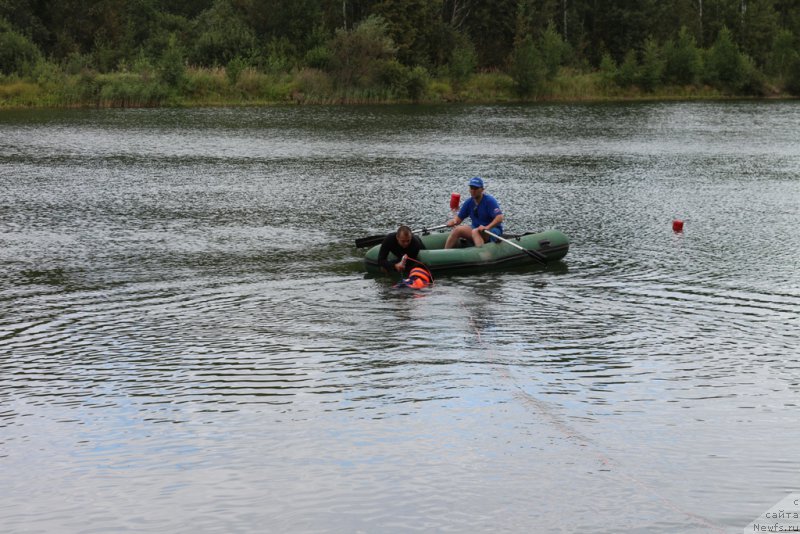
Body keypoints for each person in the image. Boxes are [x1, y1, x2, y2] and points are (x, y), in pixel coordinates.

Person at [444, 176, 504, 248]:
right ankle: (445, 253)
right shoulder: (469, 202)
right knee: (457, 230)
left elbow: (499, 218)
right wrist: (453, 221)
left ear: (482, 189)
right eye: (471, 188)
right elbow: (458, 220)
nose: (473, 190)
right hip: (476, 228)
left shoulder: (489, 201)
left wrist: (487, 227)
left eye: (476, 188)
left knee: (475, 231)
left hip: (492, 231)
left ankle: (483, 255)